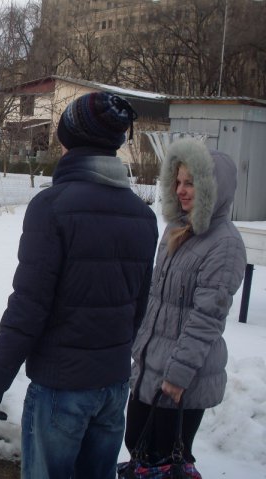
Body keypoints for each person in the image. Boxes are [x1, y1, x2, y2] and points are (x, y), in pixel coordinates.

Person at [0, 92, 159, 479]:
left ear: (68, 140)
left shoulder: (53, 207)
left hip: (62, 386)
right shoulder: (143, 215)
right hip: (112, 387)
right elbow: (139, 309)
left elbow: (29, 306)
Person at [124, 138, 246, 465]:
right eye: (177, 182)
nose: (181, 190)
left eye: (190, 183)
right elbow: (157, 298)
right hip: (151, 365)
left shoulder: (225, 244)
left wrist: (177, 375)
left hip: (181, 377)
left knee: (166, 460)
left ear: (212, 187)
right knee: (136, 443)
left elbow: (207, 318)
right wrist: (140, 349)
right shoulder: (176, 230)